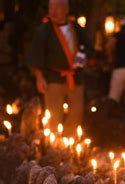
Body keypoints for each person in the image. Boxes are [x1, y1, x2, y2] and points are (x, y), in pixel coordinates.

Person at [28, 0, 90, 133]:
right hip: (54, 77)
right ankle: (53, 146)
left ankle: (69, 142)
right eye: (51, 8)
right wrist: (40, 78)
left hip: (75, 77)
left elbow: (88, 47)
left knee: (77, 112)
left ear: (66, 9)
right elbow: (36, 55)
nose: (53, 12)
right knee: (54, 113)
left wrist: (83, 57)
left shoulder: (77, 29)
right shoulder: (44, 31)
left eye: (58, 7)